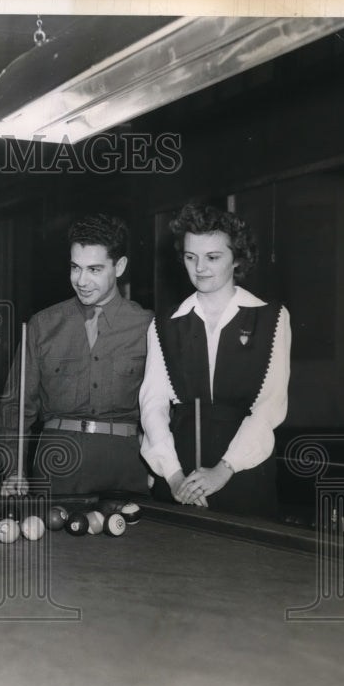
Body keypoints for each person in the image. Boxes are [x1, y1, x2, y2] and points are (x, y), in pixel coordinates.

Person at [139, 203, 291, 519]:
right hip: (179, 473)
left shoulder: (272, 318)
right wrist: (174, 476)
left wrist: (223, 471)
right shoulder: (164, 324)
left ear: (236, 258)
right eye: (191, 257)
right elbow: (152, 406)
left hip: (243, 472)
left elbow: (269, 406)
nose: (200, 268)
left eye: (213, 257)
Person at [0, 213, 153, 496]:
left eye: (94, 269)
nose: (81, 280)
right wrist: (13, 470)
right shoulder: (42, 325)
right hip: (57, 469)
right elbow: (15, 408)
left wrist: (159, 468)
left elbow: (166, 409)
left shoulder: (148, 326)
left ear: (119, 267)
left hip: (127, 470)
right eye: (75, 268)